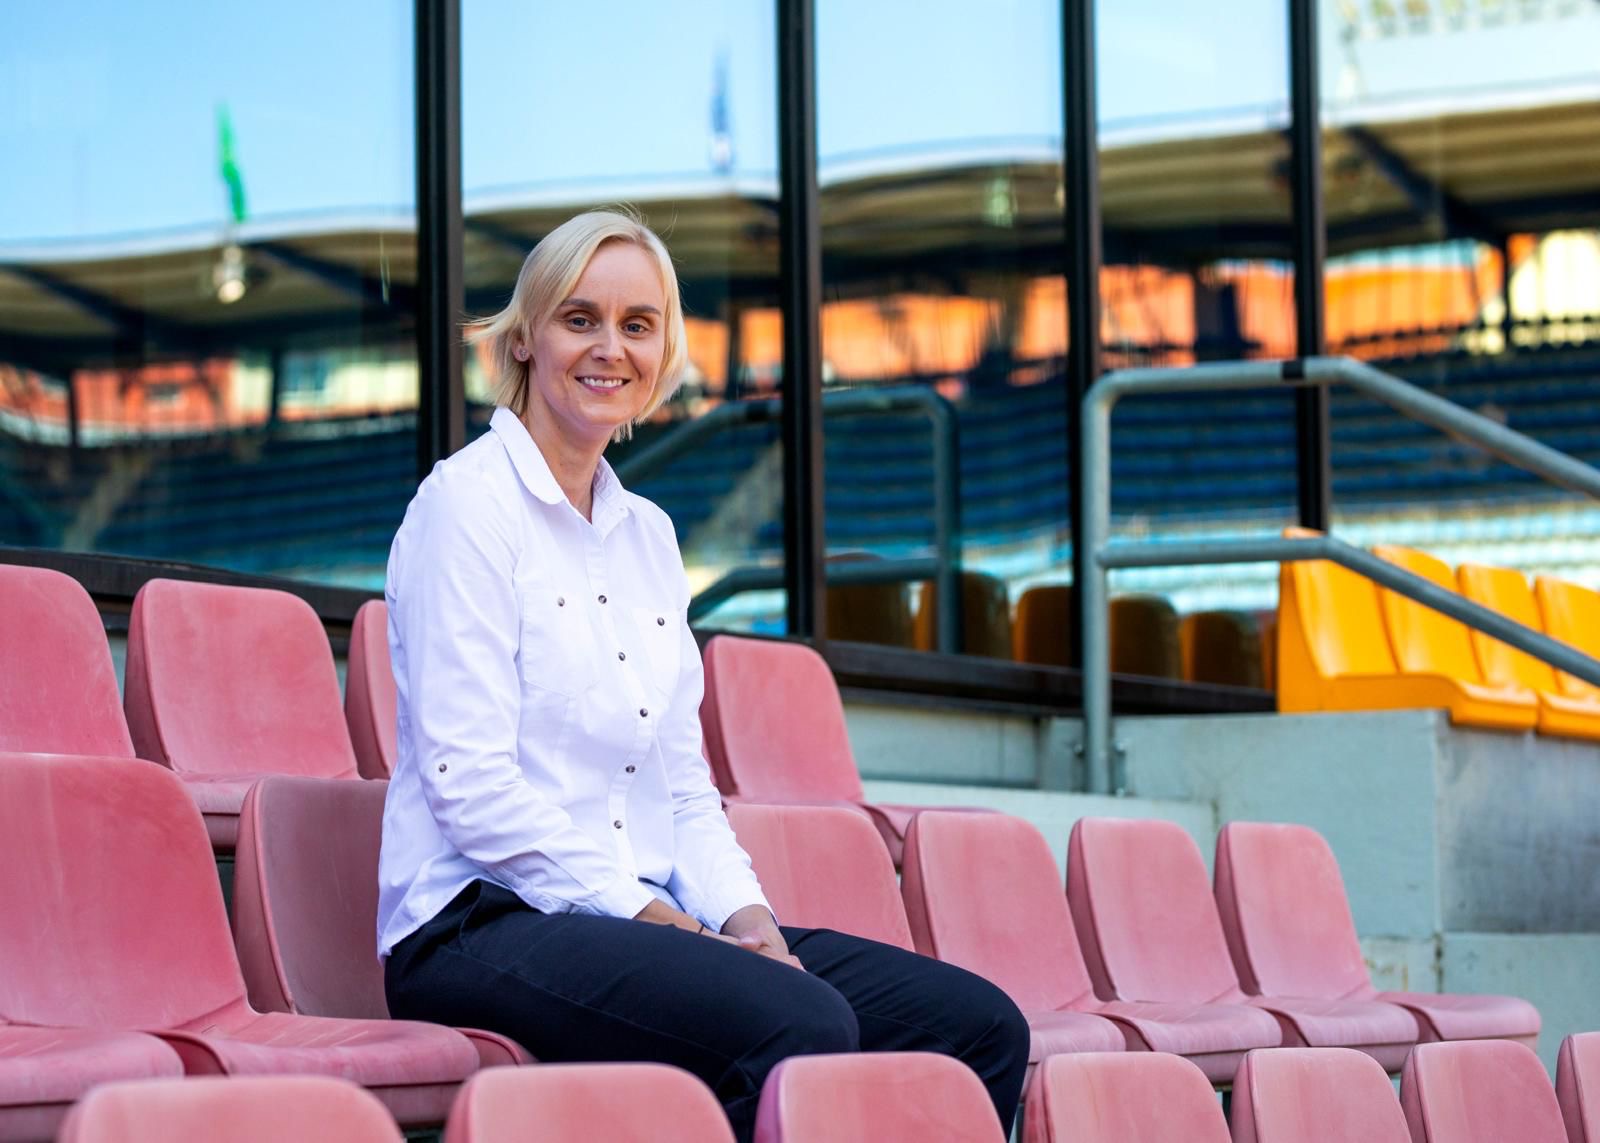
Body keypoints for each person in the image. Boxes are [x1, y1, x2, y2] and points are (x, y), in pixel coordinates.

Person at [377, 209, 1029, 1141]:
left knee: (976, 1027)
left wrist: (744, 916)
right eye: (579, 319)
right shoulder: (464, 507)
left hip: (649, 915)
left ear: (664, 349)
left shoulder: (649, 536)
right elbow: (468, 784)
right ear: (525, 337)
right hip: (478, 923)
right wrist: (645, 911)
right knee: (799, 1023)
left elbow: (681, 784)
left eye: (637, 325)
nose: (610, 348)